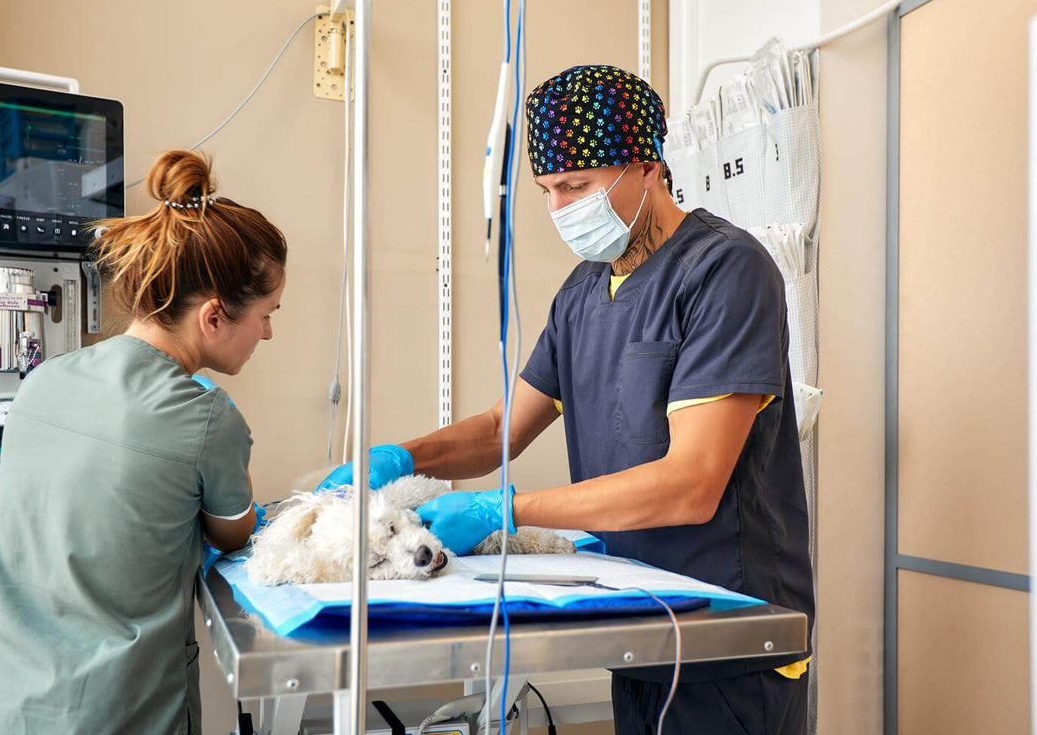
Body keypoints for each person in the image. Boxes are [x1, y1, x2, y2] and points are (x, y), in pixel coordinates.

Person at [319, 65, 813, 734]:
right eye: (549, 190)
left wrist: (506, 510)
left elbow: (693, 484)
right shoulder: (584, 291)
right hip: (633, 618)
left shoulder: (727, 271)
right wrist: (396, 458)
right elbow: (503, 427)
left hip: (727, 630)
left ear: (647, 168)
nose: (560, 209)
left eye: (577, 186)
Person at [0, 150, 287, 734]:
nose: (269, 332)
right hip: (111, 717)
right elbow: (235, 532)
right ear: (213, 316)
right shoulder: (206, 416)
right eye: (266, 314)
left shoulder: (44, 379)